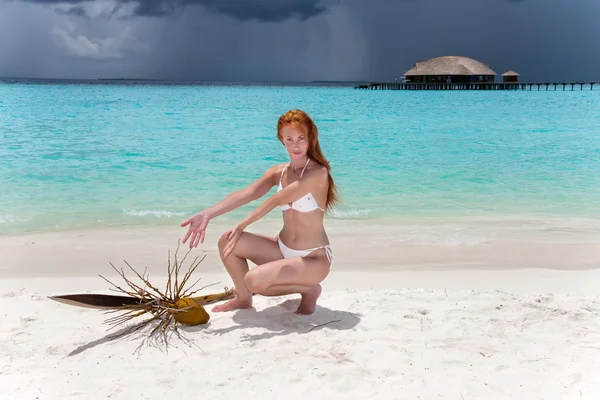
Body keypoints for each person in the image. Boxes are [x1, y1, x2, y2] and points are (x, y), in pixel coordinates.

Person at [180, 109, 339, 315]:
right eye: (289, 139)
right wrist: (207, 214)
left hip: (313, 259)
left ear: (311, 138)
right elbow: (248, 193)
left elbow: (277, 200)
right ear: (281, 140)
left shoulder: (318, 172)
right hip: (282, 249)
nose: (296, 145)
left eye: (301, 138)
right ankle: (243, 299)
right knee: (228, 240)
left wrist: (242, 224)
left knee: (254, 280)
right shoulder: (279, 172)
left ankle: (309, 289)